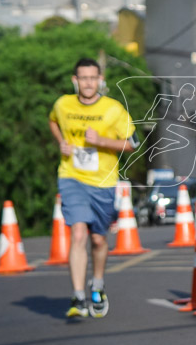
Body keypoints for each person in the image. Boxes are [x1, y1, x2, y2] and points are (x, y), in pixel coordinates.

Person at [49, 58, 137, 318]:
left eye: (92, 78)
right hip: (71, 176)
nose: (88, 83)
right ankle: (78, 297)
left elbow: (132, 144)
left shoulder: (114, 109)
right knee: (78, 233)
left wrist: (102, 141)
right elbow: (53, 121)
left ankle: (97, 284)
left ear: (100, 80)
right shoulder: (63, 105)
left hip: (103, 182)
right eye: (83, 78)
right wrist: (61, 142)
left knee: (98, 239)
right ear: (74, 80)